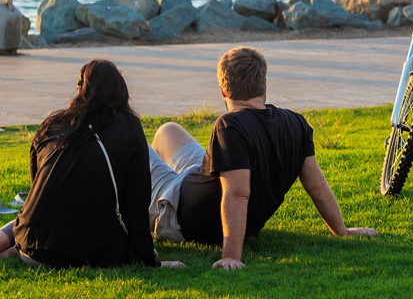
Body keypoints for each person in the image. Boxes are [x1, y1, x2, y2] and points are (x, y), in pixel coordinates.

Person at [147, 47, 375, 269]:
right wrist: (341, 230)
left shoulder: (230, 125)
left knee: (140, 145)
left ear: (223, 91)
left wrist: (231, 256)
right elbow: (317, 184)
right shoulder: (296, 123)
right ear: (264, 84)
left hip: (177, 211)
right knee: (168, 130)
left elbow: (237, 194)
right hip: (196, 180)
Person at [0, 59, 176, 269]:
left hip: (32, 246)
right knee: (92, 226)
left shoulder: (52, 123)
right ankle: (10, 252)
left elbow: (36, 192)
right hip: (89, 254)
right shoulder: (130, 127)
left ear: (80, 90)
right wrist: (147, 259)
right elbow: (135, 201)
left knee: (26, 217)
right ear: (119, 92)